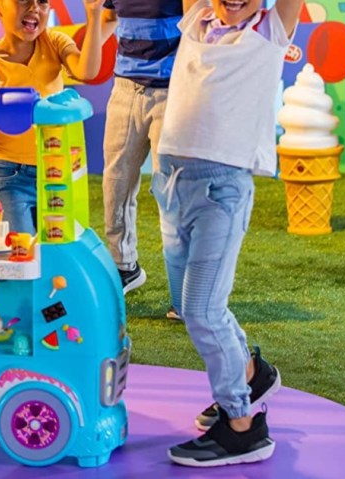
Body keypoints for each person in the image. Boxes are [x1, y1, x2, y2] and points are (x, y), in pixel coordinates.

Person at [152, 0, 302, 467]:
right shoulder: (199, 16)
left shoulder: (271, 29)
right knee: (188, 302)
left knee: (202, 310)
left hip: (222, 187)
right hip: (172, 180)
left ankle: (242, 426)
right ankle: (252, 374)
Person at [0, 0, 104, 234]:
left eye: (43, 2)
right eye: (23, 0)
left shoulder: (54, 42)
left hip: (55, 169)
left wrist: (94, 15)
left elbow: (87, 71)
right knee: (20, 252)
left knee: (57, 247)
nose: (34, 7)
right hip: (8, 174)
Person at [99, 0, 184, 315]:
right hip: (124, 89)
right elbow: (109, 15)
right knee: (115, 183)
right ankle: (124, 267)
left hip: (172, 92)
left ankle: (183, 293)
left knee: (172, 194)